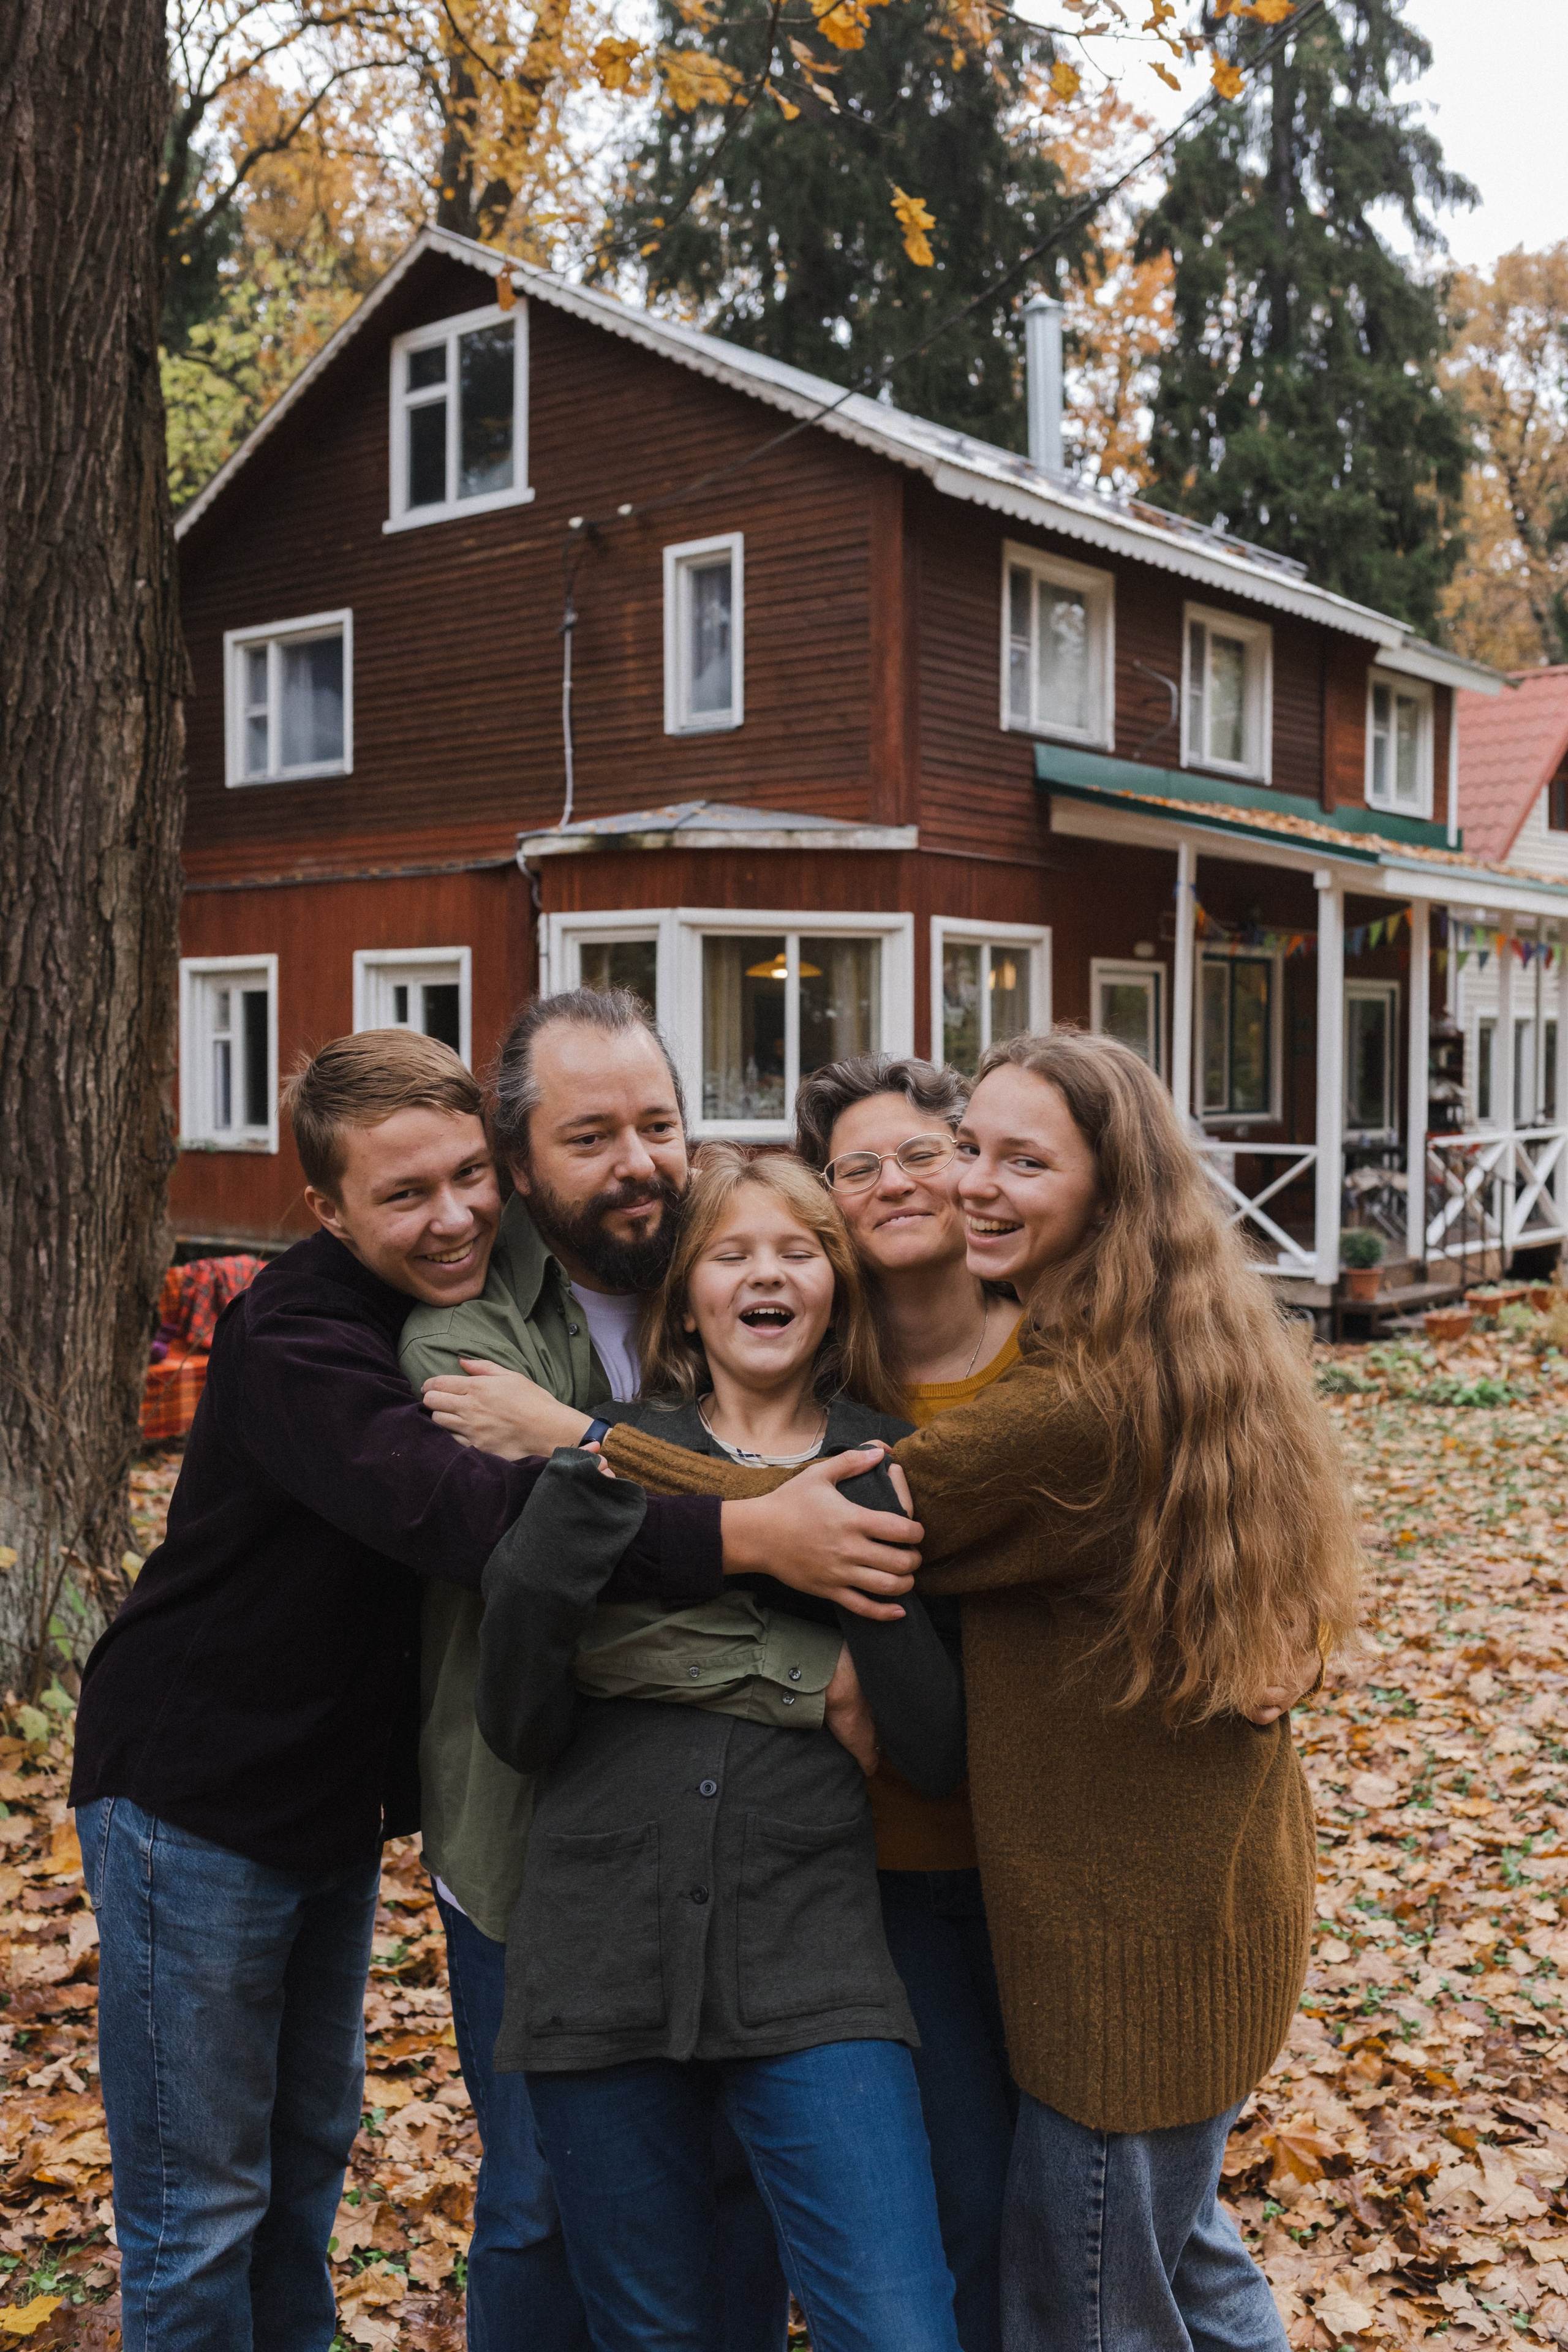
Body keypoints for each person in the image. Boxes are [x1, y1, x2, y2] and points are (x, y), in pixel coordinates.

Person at [69, 1030, 924, 2352]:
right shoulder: (321, 1334)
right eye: (406, 1193)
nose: (455, 1214)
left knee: (298, 2183)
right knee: (204, 2217)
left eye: (465, 1175)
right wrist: (751, 1536)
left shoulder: (684, 1262)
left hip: (332, 1804)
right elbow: (481, 1527)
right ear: (330, 1209)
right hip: (201, 1791)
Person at [604, 1029, 1360, 2352]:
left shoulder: (1080, 1398)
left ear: (1110, 1189)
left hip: (1122, 1931)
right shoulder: (1150, 1335)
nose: (964, 1183)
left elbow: (836, 1512)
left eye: (1017, 1160)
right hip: (1130, 1889)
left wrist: (580, 1446)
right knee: (1172, 2255)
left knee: (1087, 2296)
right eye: (972, 1150)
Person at [402, 990, 878, 2350]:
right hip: (531, 1840)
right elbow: (550, 1585)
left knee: (736, 2199)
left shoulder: (737, 1272)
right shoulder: (468, 1339)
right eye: (591, 1136)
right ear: (517, 1161)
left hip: (752, 1845)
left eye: (659, 1125)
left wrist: (584, 1449)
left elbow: (847, 1512)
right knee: (543, 2203)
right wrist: (771, 1574)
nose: (639, 1163)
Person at [472, 1148, 965, 2352]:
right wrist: (579, 1520)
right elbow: (522, 1722)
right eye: (732, 1254)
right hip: (598, 1956)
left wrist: (850, 1574)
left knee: (897, 2327)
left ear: (835, 1290)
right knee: (655, 2334)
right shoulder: (609, 1454)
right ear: (688, 1298)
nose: (767, 1275)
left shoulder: (886, 1459)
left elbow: (934, 1748)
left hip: (814, 1960)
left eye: (799, 1251)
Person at [793, 1054, 1022, 2352]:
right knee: (965, 2198)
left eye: (923, 1152)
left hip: (1056, 1855)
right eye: (857, 1168)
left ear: (970, 1165)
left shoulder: (1063, 1348)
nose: (895, 1183)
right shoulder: (814, 1376)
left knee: (1078, 2198)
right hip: (886, 1861)